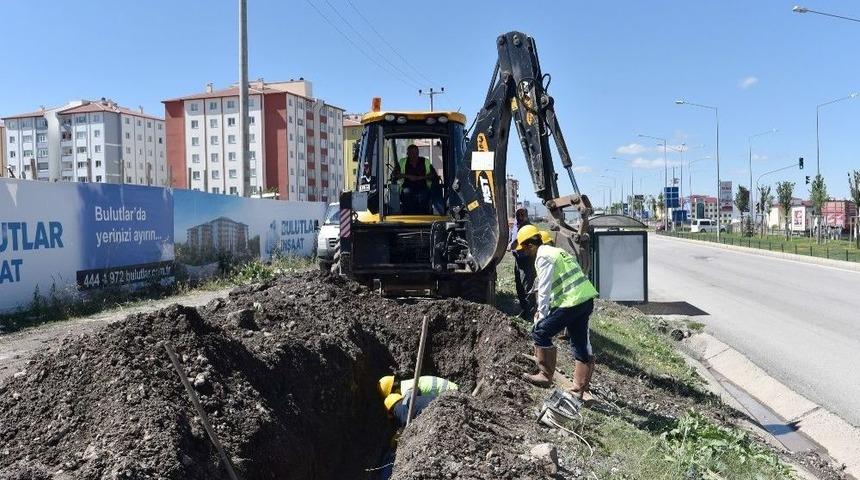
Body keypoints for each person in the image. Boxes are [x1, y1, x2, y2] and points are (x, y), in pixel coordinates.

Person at [515, 224, 599, 401]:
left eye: (524, 249)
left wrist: (541, 315)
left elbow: (544, 289)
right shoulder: (558, 252)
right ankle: (579, 389)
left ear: (530, 245)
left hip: (572, 302)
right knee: (579, 342)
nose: (525, 253)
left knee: (541, 332)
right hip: (584, 300)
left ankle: (545, 375)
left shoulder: (543, 256)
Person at [391, 144, 438, 214]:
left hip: (423, 187)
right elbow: (394, 175)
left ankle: (423, 214)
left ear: (418, 153)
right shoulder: (402, 162)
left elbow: (433, 175)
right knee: (407, 192)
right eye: (411, 153)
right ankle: (409, 214)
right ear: (407, 154)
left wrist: (420, 178)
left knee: (424, 194)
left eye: (416, 153)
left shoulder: (425, 161)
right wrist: (408, 176)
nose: (414, 155)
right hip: (407, 186)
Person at [509, 208, 536, 320]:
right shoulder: (515, 226)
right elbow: (512, 238)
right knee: (519, 285)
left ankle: (531, 313)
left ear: (526, 215)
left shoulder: (529, 228)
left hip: (527, 260)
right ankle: (524, 309)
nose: (520, 216)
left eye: (522, 214)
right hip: (518, 259)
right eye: (518, 214)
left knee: (528, 286)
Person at [378, 375, 458, 399]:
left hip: (451, 394)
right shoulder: (408, 383)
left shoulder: (407, 392)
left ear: (393, 390)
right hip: (451, 388)